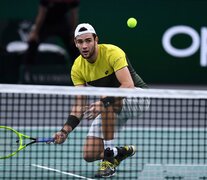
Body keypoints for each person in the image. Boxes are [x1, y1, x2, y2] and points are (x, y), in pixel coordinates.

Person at [54, 23, 149, 178]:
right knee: (89, 154)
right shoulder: (77, 68)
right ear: (75, 43)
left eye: (88, 41)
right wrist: (65, 131)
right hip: (109, 106)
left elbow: (128, 85)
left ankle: (109, 156)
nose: (84, 46)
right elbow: (79, 105)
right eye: (80, 42)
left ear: (96, 40)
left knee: (105, 99)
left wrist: (103, 103)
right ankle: (120, 152)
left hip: (138, 97)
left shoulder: (112, 52)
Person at [24, 0, 80, 66]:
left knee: (74, 44)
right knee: (33, 41)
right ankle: (27, 71)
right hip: (45, 23)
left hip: (61, 22)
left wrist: (73, 33)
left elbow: (74, 15)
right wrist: (35, 32)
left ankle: (80, 71)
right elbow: (41, 14)